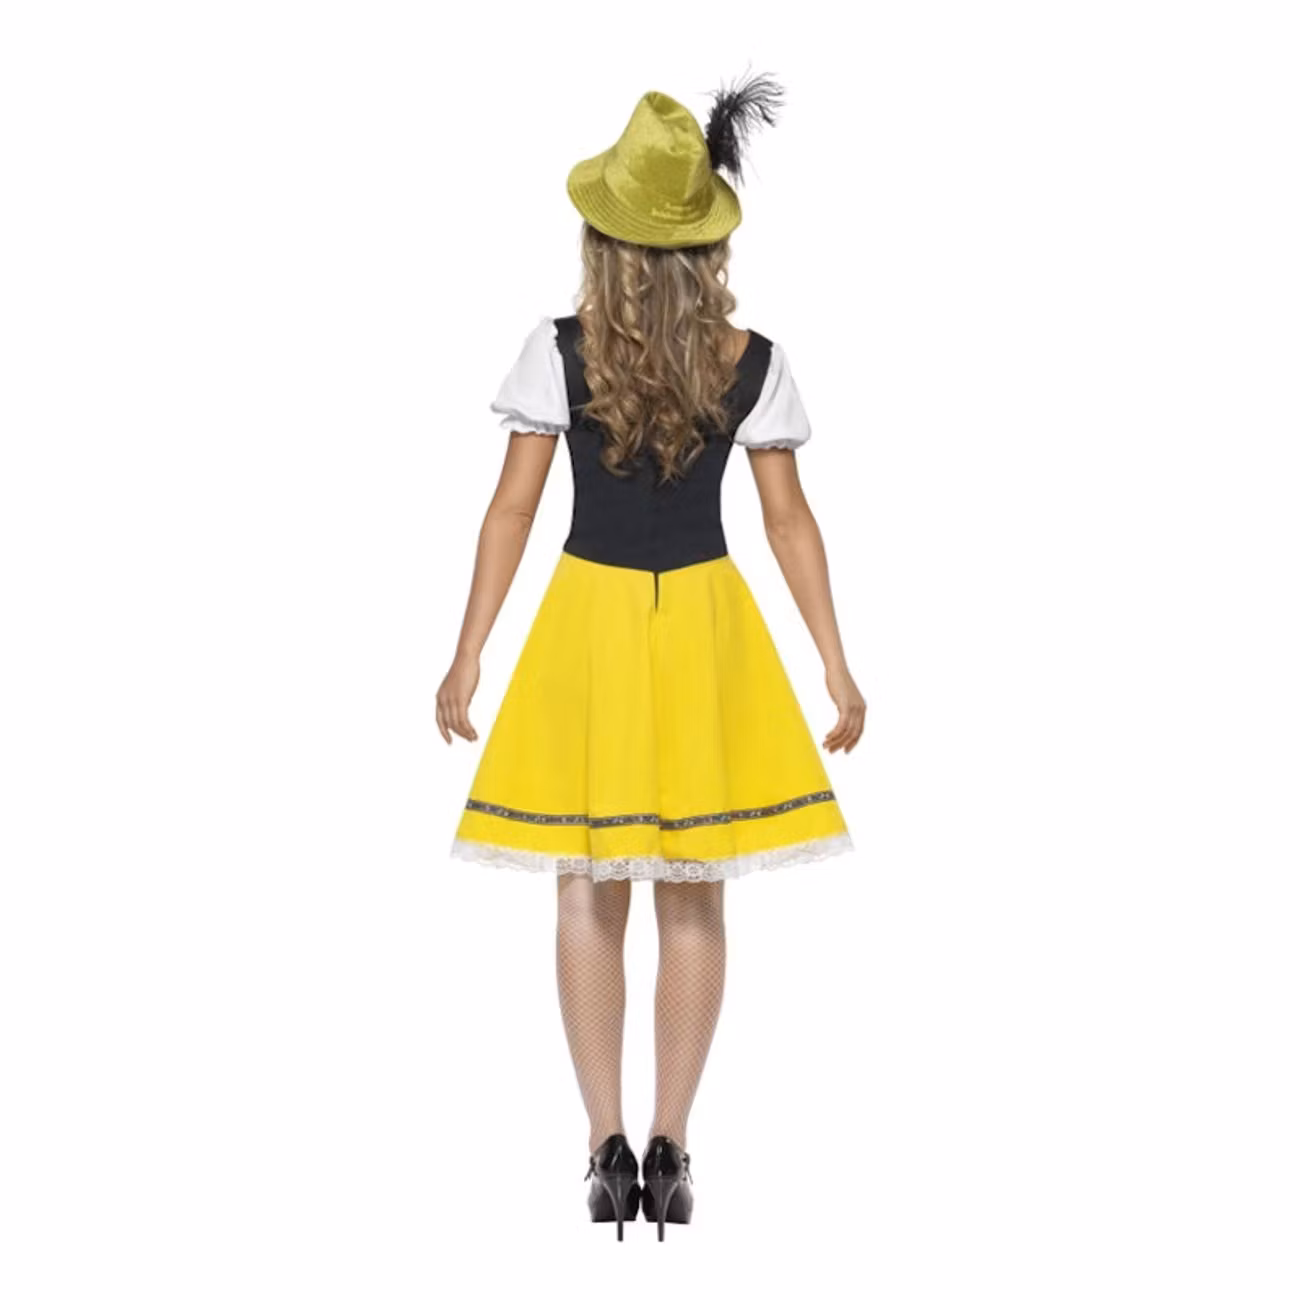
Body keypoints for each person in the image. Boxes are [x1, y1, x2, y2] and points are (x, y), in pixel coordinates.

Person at [438, 73, 867, 1240]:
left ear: (604, 237)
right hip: (702, 627)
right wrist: (832, 662)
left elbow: (512, 509)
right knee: (693, 893)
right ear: (706, 246)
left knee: (587, 887)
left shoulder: (561, 351)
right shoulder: (749, 359)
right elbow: (787, 523)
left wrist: (469, 651)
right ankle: (672, 1143)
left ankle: (604, 1145)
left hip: (590, 620)